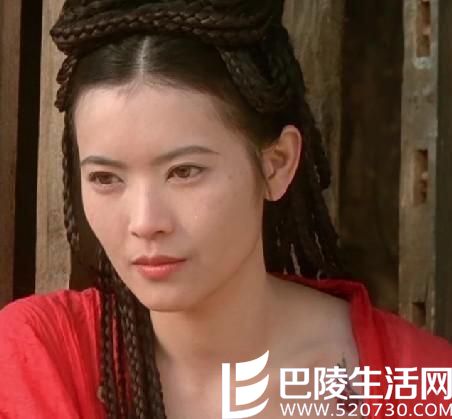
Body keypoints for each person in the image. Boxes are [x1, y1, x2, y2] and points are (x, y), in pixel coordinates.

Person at [0, 1, 451, 418]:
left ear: (276, 164)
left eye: (184, 172)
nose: (145, 223)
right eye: (105, 178)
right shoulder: (36, 359)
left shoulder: (420, 385)